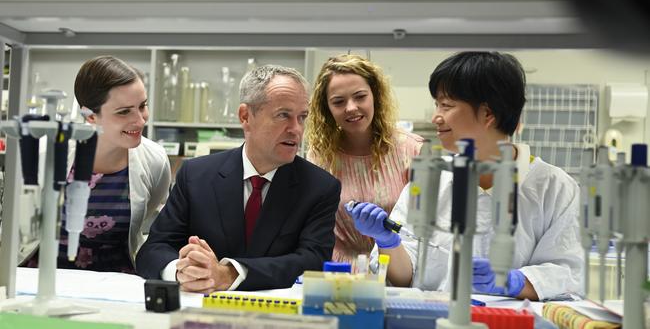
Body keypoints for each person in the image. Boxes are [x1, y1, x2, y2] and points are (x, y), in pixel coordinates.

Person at [348, 51, 583, 301]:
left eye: (446, 106)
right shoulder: (430, 181)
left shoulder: (554, 188)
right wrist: (388, 242)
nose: (435, 117)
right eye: (437, 105)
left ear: (487, 115)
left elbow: (567, 272)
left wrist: (512, 282)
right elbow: (402, 277)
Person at [136, 65, 341, 293]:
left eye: (302, 117)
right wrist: (181, 270)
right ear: (245, 116)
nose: (297, 129)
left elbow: (313, 262)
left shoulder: (319, 187)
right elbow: (154, 248)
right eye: (283, 115)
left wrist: (229, 274)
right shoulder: (196, 175)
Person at [22, 55, 172, 273]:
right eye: (124, 111)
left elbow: (149, 214)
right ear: (90, 116)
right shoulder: (45, 153)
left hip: (116, 284)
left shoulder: (154, 159)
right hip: (42, 279)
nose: (140, 120)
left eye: (142, 106)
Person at [306, 54, 422, 263]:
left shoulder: (411, 151)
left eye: (360, 96)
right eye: (338, 102)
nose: (351, 107)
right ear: (327, 108)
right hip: (339, 275)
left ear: (375, 95)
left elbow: (424, 230)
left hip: (398, 273)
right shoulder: (320, 156)